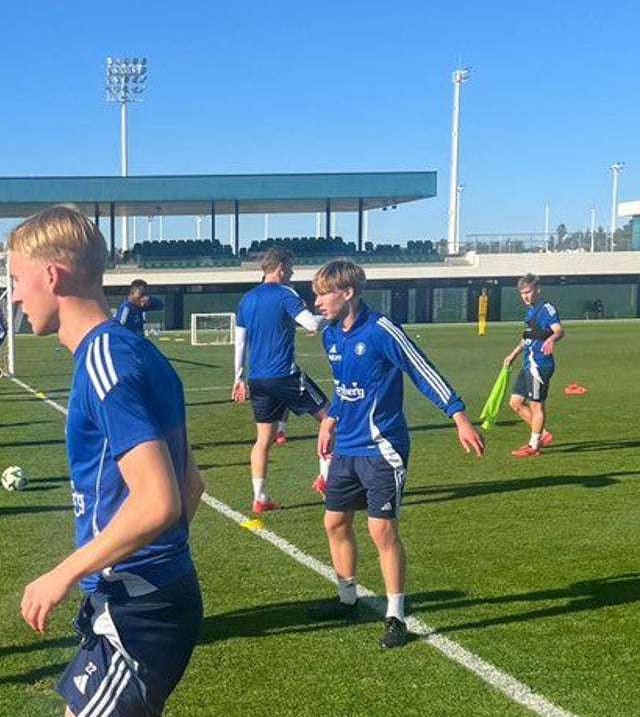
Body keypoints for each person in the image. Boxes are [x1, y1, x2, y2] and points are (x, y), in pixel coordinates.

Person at [9, 205, 203, 717]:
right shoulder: (133, 350)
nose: (15, 298)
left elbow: (161, 500)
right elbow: (191, 481)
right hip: (133, 601)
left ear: (52, 276)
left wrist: (64, 573)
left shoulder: (103, 360)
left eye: (17, 281)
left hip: (138, 615)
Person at [310, 260, 484, 649]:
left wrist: (458, 415)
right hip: (347, 448)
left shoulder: (382, 330)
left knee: (381, 530)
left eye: (324, 293)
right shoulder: (331, 336)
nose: (317, 301)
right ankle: (347, 598)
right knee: (334, 523)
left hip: (382, 448)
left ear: (348, 292)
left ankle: (395, 615)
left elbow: (422, 370)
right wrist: (330, 420)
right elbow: (343, 387)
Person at [231, 247, 330, 514]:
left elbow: (240, 341)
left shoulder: (247, 299)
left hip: (258, 378)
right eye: (291, 269)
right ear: (280, 268)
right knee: (332, 418)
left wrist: (239, 378)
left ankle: (260, 497)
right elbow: (311, 324)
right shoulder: (286, 294)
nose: (294, 274)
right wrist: (331, 317)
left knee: (264, 438)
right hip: (284, 374)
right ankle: (326, 480)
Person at [503, 273, 563, 457]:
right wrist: (513, 353)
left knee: (537, 405)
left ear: (537, 290)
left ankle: (534, 445)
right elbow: (526, 338)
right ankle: (542, 434)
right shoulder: (530, 311)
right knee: (515, 402)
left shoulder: (546, 309)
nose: (525, 296)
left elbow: (559, 330)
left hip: (540, 364)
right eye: (522, 293)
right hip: (528, 363)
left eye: (528, 292)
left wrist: (552, 338)